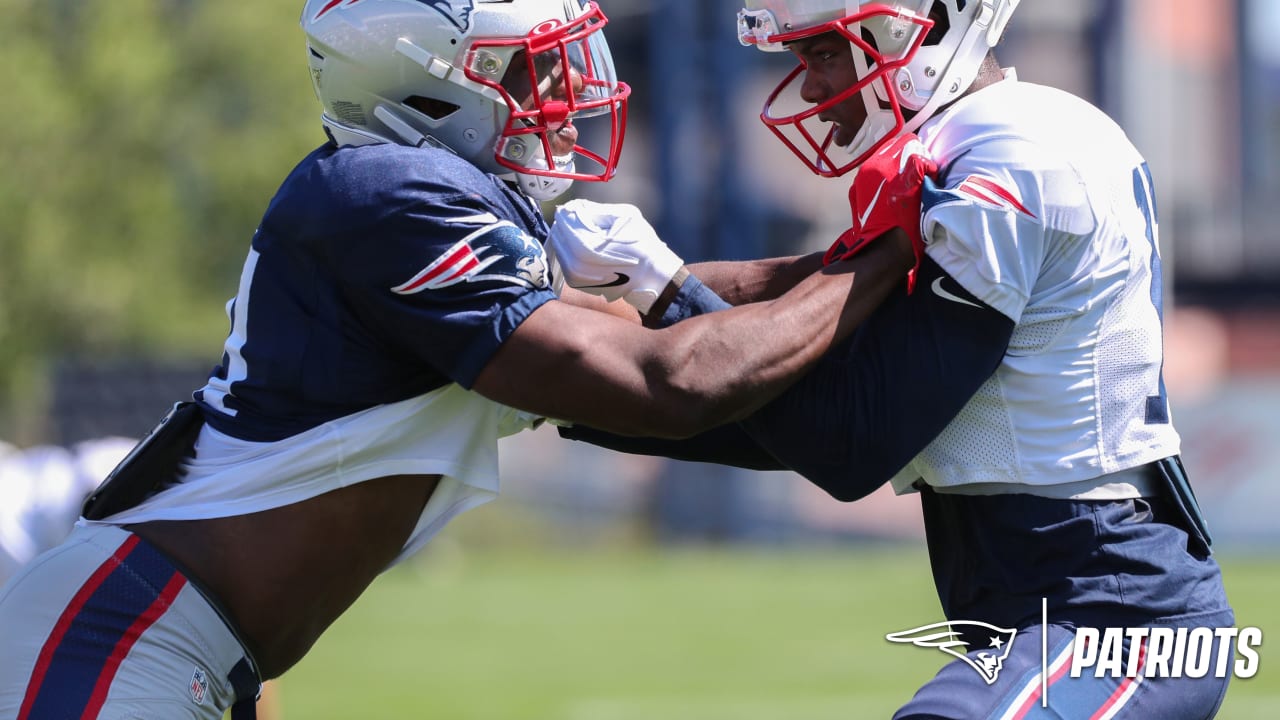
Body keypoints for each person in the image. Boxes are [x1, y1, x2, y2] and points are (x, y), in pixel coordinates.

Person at [0, 1, 919, 718]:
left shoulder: (419, 210)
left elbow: (675, 338)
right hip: (131, 636)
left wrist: (848, 262)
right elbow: (668, 379)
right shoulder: (391, 197)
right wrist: (889, 254)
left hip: (174, 640)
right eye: (525, 66)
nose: (560, 89)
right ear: (423, 82)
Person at [548, 1, 1235, 718]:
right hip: (1045, 590)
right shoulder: (1007, 134)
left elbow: (848, 438)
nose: (809, 90)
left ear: (920, 31)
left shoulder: (1009, 162)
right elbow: (798, 380)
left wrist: (660, 291)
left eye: (821, 53)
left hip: (1109, 611)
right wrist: (561, 375)